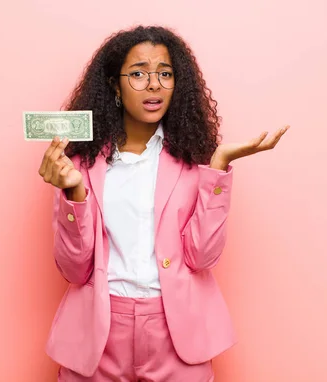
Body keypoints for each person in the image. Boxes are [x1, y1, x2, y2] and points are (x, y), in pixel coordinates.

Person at [38, 25, 289, 382]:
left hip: (177, 336)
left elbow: (202, 257)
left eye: (165, 74)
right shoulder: (79, 164)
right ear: (114, 85)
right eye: (139, 73)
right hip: (98, 335)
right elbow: (74, 269)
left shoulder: (193, 160)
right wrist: (74, 194)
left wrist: (216, 169)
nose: (154, 84)